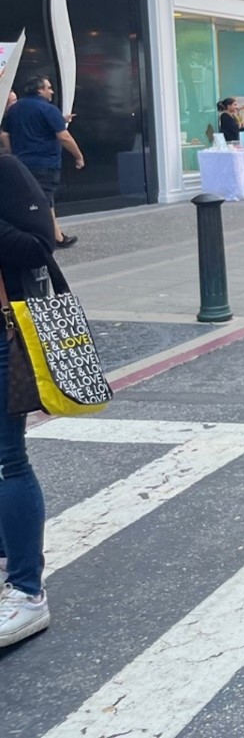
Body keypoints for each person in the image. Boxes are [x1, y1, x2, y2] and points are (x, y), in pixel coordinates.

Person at [0, 155, 58, 647]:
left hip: (4, 334)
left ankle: (26, 591)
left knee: (7, 459)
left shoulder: (7, 171)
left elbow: (41, 245)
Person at [0, 76, 83, 248]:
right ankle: (43, 238)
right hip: (45, 163)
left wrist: (10, 152)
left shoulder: (15, 109)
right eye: (49, 87)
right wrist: (78, 156)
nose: (51, 91)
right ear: (39, 90)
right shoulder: (48, 109)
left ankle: (57, 236)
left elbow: (5, 133)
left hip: (22, 162)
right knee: (41, 201)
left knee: (44, 198)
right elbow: (64, 137)